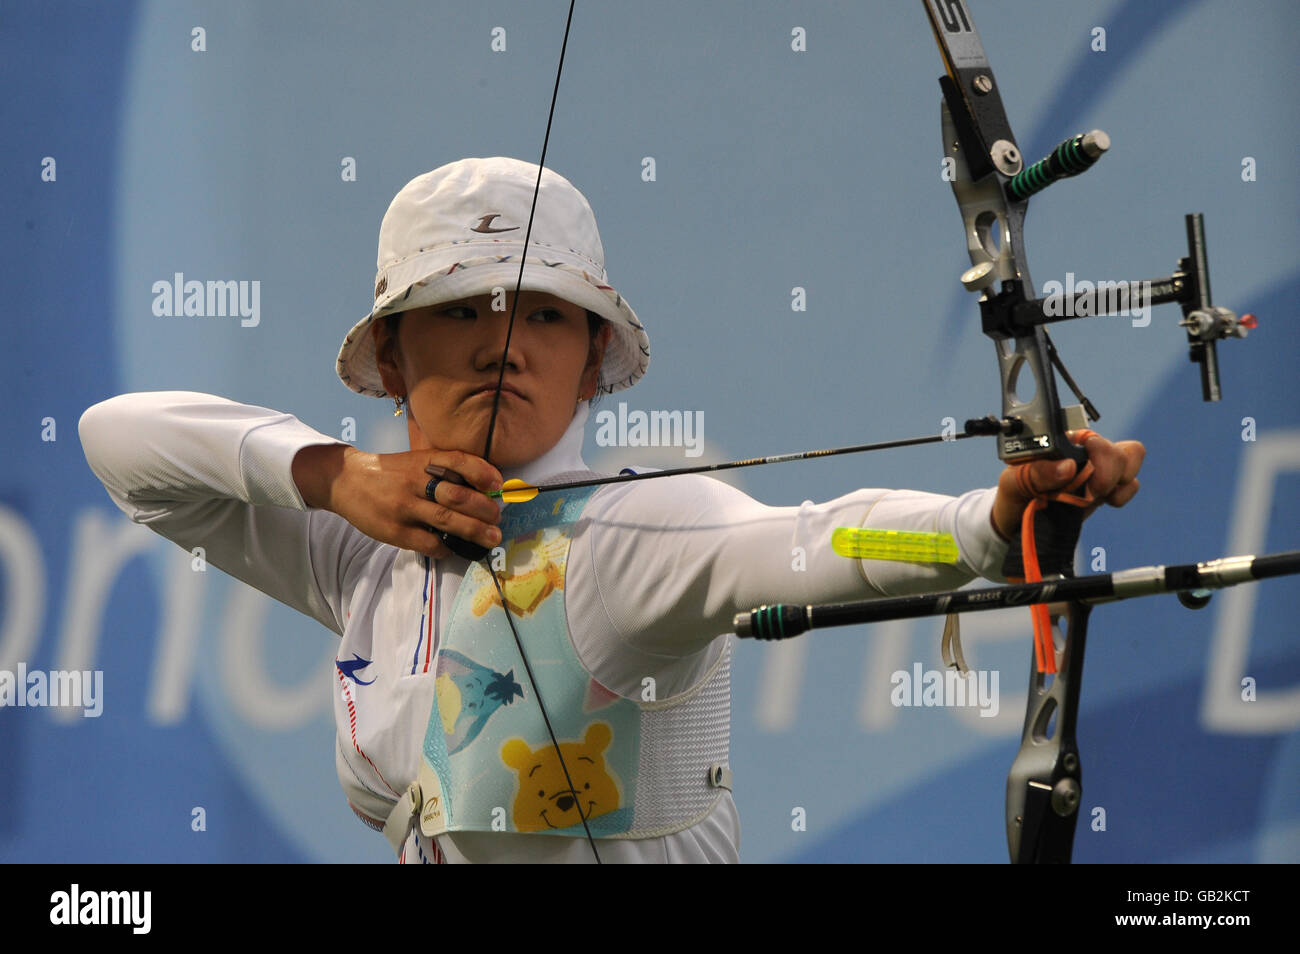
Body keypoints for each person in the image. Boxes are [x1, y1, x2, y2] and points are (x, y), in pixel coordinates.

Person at [79, 156, 1144, 863]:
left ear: (592, 362)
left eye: (546, 313)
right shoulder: (359, 546)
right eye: (459, 310)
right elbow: (123, 441)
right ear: (393, 355)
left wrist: (989, 526)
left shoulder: (633, 534)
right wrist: (334, 477)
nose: (504, 342)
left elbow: (809, 543)